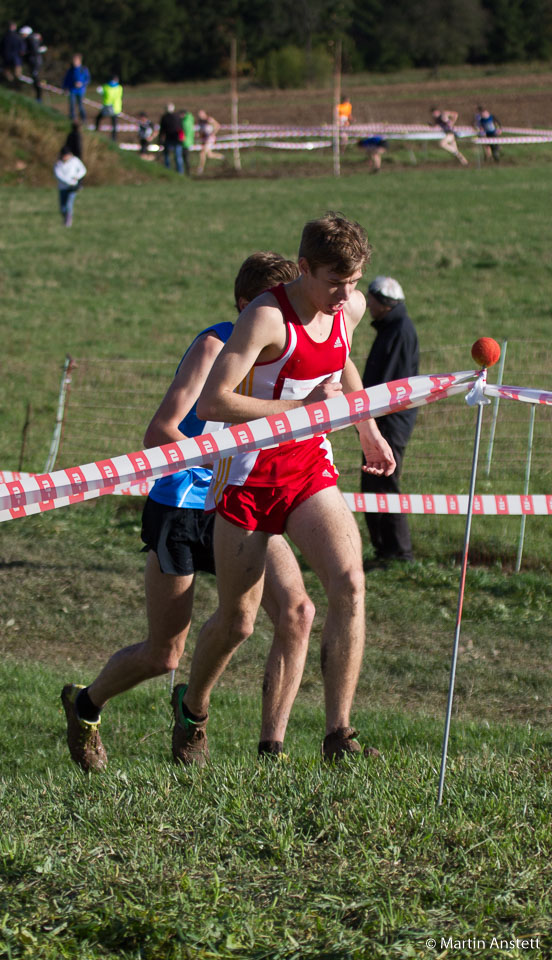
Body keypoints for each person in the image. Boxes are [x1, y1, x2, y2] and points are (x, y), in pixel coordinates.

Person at [61, 253, 315, 772]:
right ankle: (85, 705)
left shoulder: (282, 356)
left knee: (297, 612)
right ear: (247, 307)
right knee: (164, 655)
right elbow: (160, 432)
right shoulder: (215, 346)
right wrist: (219, 460)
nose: (286, 323)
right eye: (276, 309)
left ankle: (263, 750)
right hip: (183, 504)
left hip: (241, 501)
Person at [170, 212, 396, 767]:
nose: (346, 294)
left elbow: (342, 364)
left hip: (307, 467)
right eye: (333, 281)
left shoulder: (351, 307)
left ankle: (338, 735)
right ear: (303, 269)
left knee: (349, 582)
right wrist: (301, 410)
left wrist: (367, 428)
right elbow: (213, 403)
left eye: (355, 279)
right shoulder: (266, 317)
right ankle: (192, 709)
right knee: (237, 622)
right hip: (247, 476)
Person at [361, 276, 419, 565]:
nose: (368, 304)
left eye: (371, 299)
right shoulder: (392, 327)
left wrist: (370, 417)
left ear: (383, 302)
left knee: (385, 482)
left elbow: (389, 385)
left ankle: (399, 552)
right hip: (383, 421)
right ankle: (385, 550)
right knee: (374, 483)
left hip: (389, 423)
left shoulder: (398, 330)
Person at [54, 146, 86, 227]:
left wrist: (76, 177)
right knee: (62, 207)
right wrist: (69, 182)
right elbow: (59, 175)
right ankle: (65, 218)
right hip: (63, 187)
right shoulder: (58, 164)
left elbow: (83, 170)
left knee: (69, 204)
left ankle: (68, 221)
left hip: (73, 187)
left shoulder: (75, 161)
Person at [95, 75, 123, 142]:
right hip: (116, 108)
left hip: (108, 107)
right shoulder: (119, 87)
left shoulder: (106, 87)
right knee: (114, 124)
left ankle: (96, 132)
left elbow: (102, 92)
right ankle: (114, 139)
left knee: (98, 118)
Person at [63, 53, 90, 122]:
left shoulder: (83, 69)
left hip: (81, 91)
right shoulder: (71, 70)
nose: (74, 62)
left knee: (80, 106)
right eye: (73, 60)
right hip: (72, 90)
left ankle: (84, 119)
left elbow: (88, 79)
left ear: (79, 61)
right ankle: (72, 119)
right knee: (72, 105)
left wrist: (82, 84)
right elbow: (66, 80)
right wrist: (65, 88)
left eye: (76, 60)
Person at [158, 102, 184, 174]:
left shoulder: (165, 117)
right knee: (176, 156)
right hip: (174, 139)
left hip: (172, 139)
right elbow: (181, 128)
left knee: (170, 156)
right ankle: (178, 172)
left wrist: (160, 139)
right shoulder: (177, 117)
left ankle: (170, 172)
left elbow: (162, 130)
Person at [196, 109, 222, 174]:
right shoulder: (200, 121)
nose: (200, 116)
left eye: (201, 114)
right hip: (204, 138)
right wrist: (198, 134)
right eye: (199, 114)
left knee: (202, 153)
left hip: (210, 138)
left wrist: (213, 133)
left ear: (204, 114)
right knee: (209, 155)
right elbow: (201, 130)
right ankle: (222, 157)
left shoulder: (209, 119)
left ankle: (200, 169)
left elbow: (218, 126)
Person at [21, 26, 44, 101]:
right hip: (35, 62)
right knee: (35, 79)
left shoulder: (30, 39)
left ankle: (39, 97)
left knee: (36, 79)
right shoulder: (32, 39)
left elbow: (34, 51)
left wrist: (26, 53)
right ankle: (38, 97)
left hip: (35, 63)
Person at [179, 108, 195, 175]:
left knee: (184, 158)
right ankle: (187, 172)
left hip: (185, 142)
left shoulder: (184, 122)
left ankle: (186, 172)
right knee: (186, 158)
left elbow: (183, 131)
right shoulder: (190, 119)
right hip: (189, 141)